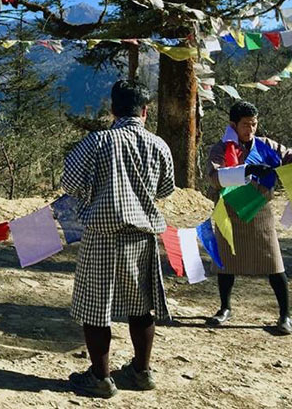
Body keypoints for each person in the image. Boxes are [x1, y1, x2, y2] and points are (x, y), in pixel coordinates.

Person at [61, 79, 175, 399]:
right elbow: (165, 190)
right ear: (145, 111)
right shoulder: (159, 145)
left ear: (112, 110)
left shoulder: (97, 141)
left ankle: (100, 377)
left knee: (96, 310)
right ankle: (141, 372)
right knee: (142, 309)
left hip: (103, 236)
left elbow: (69, 182)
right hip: (144, 237)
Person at [206, 100, 292, 335]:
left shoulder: (266, 146)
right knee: (226, 262)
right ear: (233, 125)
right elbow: (215, 176)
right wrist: (246, 170)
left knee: (274, 263)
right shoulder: (220, 148)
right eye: (246, 124)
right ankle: (224, 307)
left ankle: (285, 314)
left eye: (254, 124)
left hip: (260, 210)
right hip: (229, 210)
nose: (251, 129)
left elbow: (289, 157)